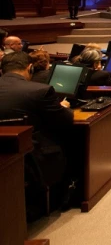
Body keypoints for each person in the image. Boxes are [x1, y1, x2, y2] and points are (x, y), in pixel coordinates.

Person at [0, 52, 74, 217]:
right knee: (73, 139)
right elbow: (66, 120)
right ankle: (65, 196)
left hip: (3, 154)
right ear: (30, 67)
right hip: (33, 156)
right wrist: (62, 106)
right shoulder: (40, 90)